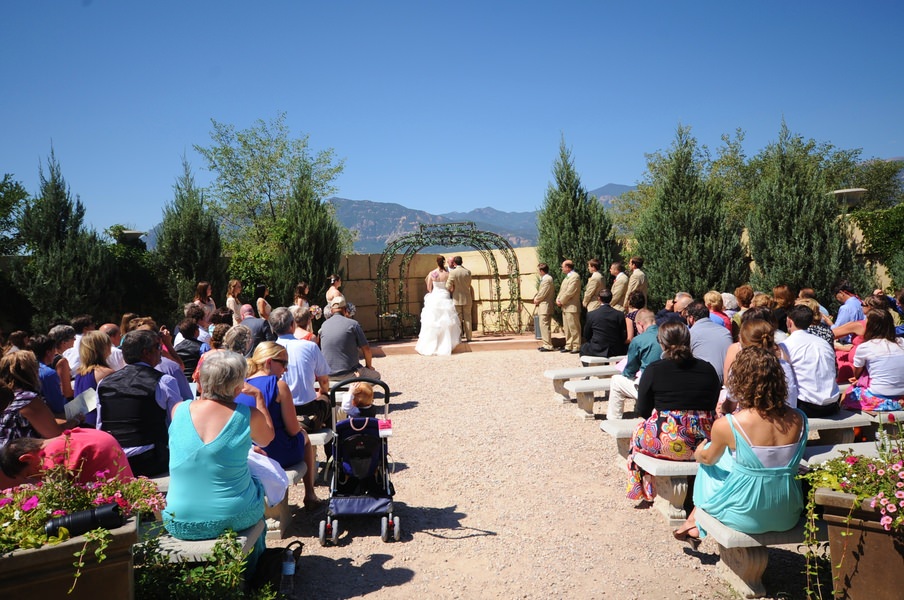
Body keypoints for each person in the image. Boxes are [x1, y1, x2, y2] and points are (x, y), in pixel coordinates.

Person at [673, 346, 808, 547]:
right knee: (735, 462)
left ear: (742, 381)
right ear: (779, 380)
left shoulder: (729, 424)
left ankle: (695, 520)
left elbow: (708, 459)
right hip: (787, 513)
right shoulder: (800, 419)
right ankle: (694, 522)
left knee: (708, 461)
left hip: (744, 516)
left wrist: (700, 453)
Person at [163, 351, 274, 568]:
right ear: (237, 387)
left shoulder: (178, 410)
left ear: (202, 382)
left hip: (179, 518)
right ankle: (251, 572)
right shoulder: (247, 415)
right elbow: (267, 438)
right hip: (232, 516)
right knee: (257, 486)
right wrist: (259, 398)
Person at [626, 321, 720, 502]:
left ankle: (644, 490)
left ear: (661, 342)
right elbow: (712, 403)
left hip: (666, 440)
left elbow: (643, 410)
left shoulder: (654, 370)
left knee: (637, 432)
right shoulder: (708, 369)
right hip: (705, 441)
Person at [236, 342, 320, 508]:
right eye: (284, 364)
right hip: (276, 451)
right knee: (304, 436)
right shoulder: (278, 386)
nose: (286, 370)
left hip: (249, 452)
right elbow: (293, 429)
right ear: (269, 362)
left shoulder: (240, 386)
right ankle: (309, 494)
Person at [96, 329, 183, 477]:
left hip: (115, 460)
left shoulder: (104, 383)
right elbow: (177, 424)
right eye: (158, 347)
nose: (161, 351)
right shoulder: (164, 381)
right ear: (146, 352)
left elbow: (100, 425)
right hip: (151, 460)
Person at [0, 428, 133, 488]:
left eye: (30, 474)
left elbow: (56, 498)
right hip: (129, 490)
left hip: (113, 506)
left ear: (27, 458)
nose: (36, 479)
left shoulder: (52, 455)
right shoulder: (75, 435)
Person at [269, 307, 332, 430]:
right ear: (293, 325)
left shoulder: (267, 351)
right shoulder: (310, 347)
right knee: (327, 400)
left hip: (279, 415)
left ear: (272, 328)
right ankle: (331, 446)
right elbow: (324, 381)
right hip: (308, 413)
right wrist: (321, 393)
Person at [722, 317, 799, 413]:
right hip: (783, 420)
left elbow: (730, 405)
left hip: (751, 422)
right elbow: (791, 400)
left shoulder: (741, 368)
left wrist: (723, 410)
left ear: (742, 342)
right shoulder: (784, 366)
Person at [1, 351, 70, 448]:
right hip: (21, 458)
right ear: (31, 371)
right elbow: (55, 434)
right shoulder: (27, 400)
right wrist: (75, 422)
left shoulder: (7, 396)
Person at [781, 305, 840, 417]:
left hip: (806, 406)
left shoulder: (786, 345)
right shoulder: (823, 343)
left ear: (789, 322)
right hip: (831, 404)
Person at [841, 308, 904, 412]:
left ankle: (854, 427)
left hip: (880, 398)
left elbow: (856, 374)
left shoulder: (865, 347)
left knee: (847, 393)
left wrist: (859, 379)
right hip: (901, 397)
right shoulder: (902, 342)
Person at [607, 309, 661, 420]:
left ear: (640, 324)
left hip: (649, 388)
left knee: (616, 380)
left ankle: (614, 420)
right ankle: (639, 411)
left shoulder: (639, 340)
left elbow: (630, 370)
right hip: (667, 384)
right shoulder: (668, 334)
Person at [415, 256, 461, 356]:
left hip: (435, 297)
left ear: (436, 262)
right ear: (444, 262)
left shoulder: (432, 273)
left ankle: (430, 344)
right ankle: (445, 343)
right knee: (446, 322)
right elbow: (451, 288)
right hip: (444, 296)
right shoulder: (448, 274)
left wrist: (434, 292)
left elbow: (429, 288)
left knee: (433, 322)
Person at [320, 297, 376, 377]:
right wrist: (368, 366)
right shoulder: (353, 324)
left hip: (328, 374)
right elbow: (366, 349)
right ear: (345, 310)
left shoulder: (324, 325)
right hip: (350, 373)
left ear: (331, 311)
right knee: (376, 376)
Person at [73, 330, 116, 427]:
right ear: (104, 348)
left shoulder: (80, 373)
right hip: (98, 423)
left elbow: (78, 407)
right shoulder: (106, 373)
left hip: (82, 423)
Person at [685, 300, 733, 384]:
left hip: (704, 381)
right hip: (727, 380)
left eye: (687, 317)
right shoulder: (725, 331)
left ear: (691, 318)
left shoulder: (691, 334)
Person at [580, 289, 629, 358]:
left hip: (597, 348)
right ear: (611, 299)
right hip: (615, 349)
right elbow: (623, 335)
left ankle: (589, 368)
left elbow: (587, 334)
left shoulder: (591, 314)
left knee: (583, 348)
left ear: (599, 299)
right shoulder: (619, 314)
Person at [27, 334, 67, 416]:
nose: (55, 352)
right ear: (48, 352)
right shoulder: (48, 374)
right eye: (54, 349)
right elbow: (58, 406)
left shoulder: (27, 368)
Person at [556, 260, 582, 353]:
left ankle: (576, 345)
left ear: (568, 267)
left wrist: (561, 300)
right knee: (567, 328)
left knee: (574, 327)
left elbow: (570, 291)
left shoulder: (575, 277)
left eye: (563, 266)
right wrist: (558, 298)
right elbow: (562, 290)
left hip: (571, 306)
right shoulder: (567, 277)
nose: (562, 268)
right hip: (565, 306)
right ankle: (569, 345)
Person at [447, 256, 473, 342]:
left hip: (457, 298)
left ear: (454, 263)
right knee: (468, 318)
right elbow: (469, 284)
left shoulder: (453, 273)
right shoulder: (468, 272)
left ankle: (459, 338)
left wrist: (453, 288)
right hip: (467, 297)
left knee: (458, 319)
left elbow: (448, 286)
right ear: (462, 262)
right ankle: (469, 337)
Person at [48, 324, 76, 400]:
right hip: (64, 405)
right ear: (64, 342)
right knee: (93, 398)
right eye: (73, 337)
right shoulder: (61, 361)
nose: (75, 339)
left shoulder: (48, 356)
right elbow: (66, 393)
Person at [533, 263, 556, 352]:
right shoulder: (545, 279)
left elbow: (543, 292)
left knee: (544, 325)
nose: (538, 272)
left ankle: (548, 345)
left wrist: (536, 299)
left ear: (542, 271)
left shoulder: (547, 279)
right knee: (544, 326)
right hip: (544, 305)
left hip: (545, 305)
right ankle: (546, 344)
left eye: (538, 270)